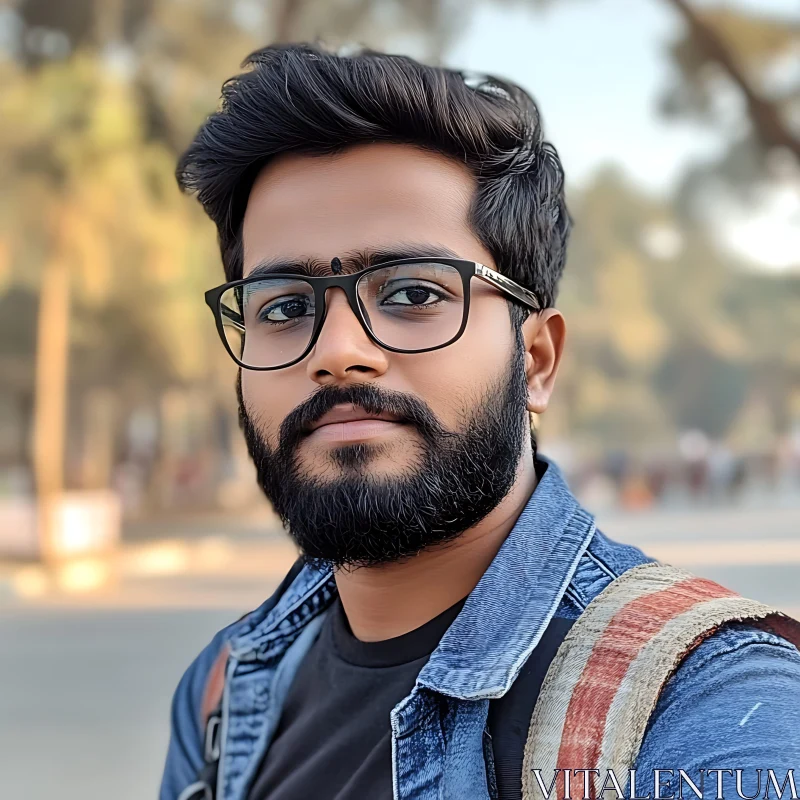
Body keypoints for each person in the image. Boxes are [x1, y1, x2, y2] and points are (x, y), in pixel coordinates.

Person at [160, 43, 800, 800]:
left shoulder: (708, 701)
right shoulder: (225, 690)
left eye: (412, 294)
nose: (336, 352)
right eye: (285, 307)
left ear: (535, 360)